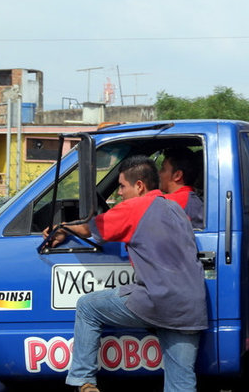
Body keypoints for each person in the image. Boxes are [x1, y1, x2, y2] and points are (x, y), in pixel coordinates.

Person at [43, 156, 207, 392]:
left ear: (139, 186)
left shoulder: (135, 206)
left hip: (157, 300)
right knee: (180, 384)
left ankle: (83, 380)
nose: (119, 194)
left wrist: (63, 228)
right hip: (190, 307)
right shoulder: (175, 208)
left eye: (122, 186)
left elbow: (90, 228)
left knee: (88, 306)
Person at [159, 147, 205, 229]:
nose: (159, 173)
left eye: (163, 169)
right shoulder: (195, 198)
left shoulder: (170, 201)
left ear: (177, 175)